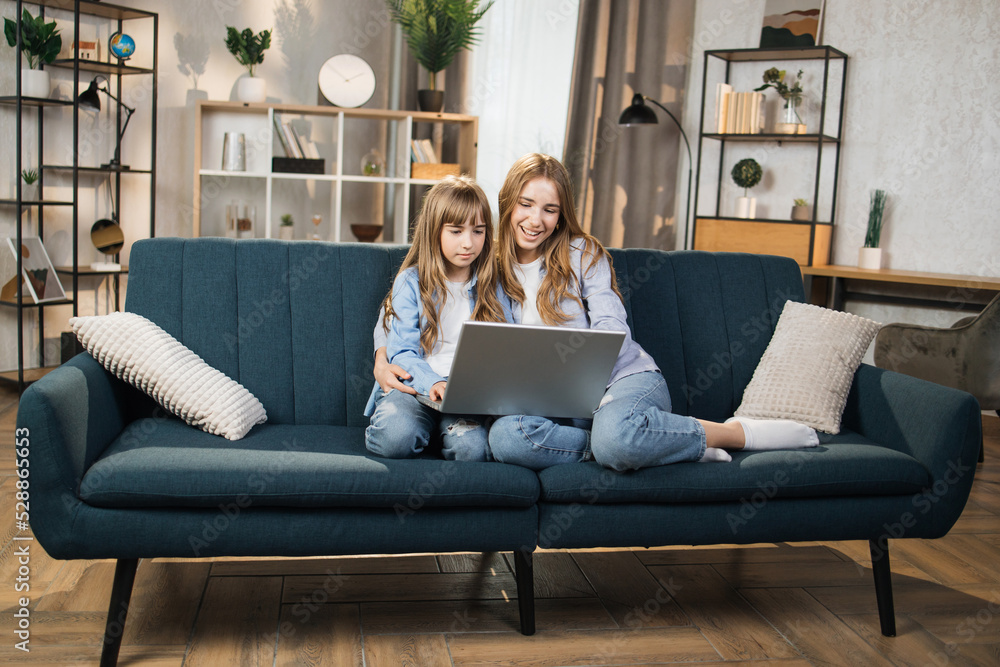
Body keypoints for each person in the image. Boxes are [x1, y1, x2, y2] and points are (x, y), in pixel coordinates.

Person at [375, 154, 817, 471]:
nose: (536, 219)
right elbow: (415, 298)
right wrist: (383, 355)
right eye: (526, 205)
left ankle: (733, 434)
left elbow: (612, 327)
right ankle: (652, 443)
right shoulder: (486, 260)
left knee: (616, 436)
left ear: (562, 213)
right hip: (551, 402)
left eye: (550, 209)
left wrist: (590, 377)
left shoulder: (582, 254)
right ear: (507, 205)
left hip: (617, 380)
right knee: (509, 438)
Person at [364, 175, 508, 462]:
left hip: (465, 397)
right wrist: (432, 383)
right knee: (396, 436)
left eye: (478, 231)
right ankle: (420, 430)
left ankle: (436, 434)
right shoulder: (411, 282)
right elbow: (401, 352)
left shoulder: (494, 285)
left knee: (472, 450)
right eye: (456, 231)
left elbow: (507, 345)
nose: (468, 243)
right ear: (434, 231)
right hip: (414, 389)